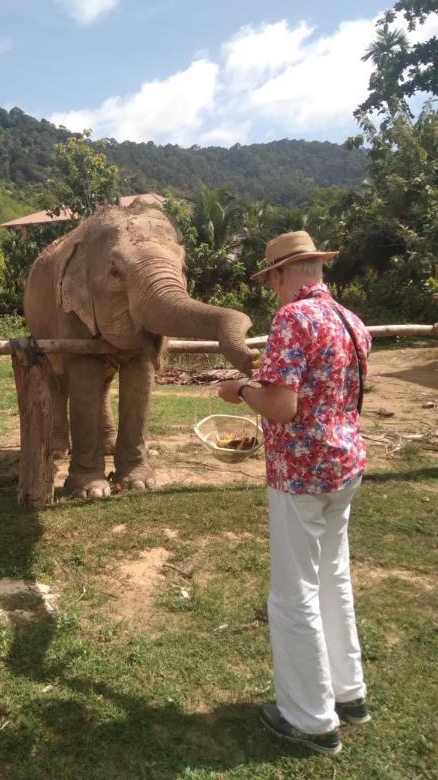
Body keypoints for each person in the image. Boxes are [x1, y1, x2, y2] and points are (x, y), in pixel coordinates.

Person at [218, 231, 372, 756]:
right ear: (317, 270)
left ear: (282, 276)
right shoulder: (352, 321)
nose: (272, 290)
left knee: (294, 591)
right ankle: (348, 693)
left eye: (271, 280)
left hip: (300, 475)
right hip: (344, 466)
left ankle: (309, 719)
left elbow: (281, 406)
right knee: (334, 577)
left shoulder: (292, 320)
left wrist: (237, 390)